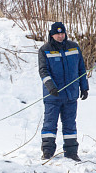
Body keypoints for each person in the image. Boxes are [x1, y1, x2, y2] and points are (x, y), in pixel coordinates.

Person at [38, 21, 89, 161]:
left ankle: (71, 152)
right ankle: (47, 152)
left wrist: (84, 87)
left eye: (62, 33)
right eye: (57, 34)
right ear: (52, 35)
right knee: (49, 124)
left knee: (70, 125)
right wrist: (50, 87)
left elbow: (81, 69)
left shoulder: (74, 47)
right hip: (52, 96)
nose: (60, 36)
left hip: (71, 95)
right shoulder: (45, 50)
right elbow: (43, 71)